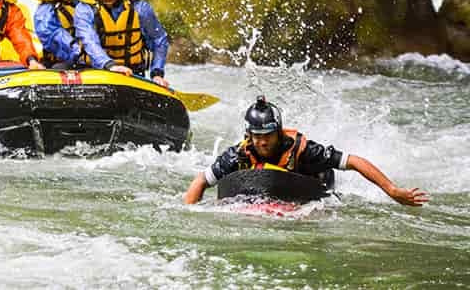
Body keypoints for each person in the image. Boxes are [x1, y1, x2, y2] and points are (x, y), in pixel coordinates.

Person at [183, 96, 430, 207]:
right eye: (256, 136)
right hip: (265, 189)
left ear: (279, 132)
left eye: (268, 135)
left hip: (311, 183)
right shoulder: (238, 154)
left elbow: (353, 161)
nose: (262, 142)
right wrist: (190, 212)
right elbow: (201, 181)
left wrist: (392, 190)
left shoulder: (305, 151)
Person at [73, 0, 169, 87]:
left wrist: (157, 73)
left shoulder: (140, 9)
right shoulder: (84, 10)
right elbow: (89, 41)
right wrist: (109, 65)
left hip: (132, 74)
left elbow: (159, 40)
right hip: (95, 73)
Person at [33, 0, 85, 69]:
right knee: (59, 67)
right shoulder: (44, 13)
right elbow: (56, 38)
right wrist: (81, 54)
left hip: (90, 59)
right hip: (61, 62)